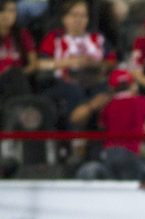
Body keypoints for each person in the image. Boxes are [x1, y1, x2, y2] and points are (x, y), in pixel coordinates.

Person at [38, 0, 117, 128]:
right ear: (65, 18)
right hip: (63, 83)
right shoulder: (55, 37)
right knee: (74, 90)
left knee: (106, 89)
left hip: (93, 80)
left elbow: (112, 63)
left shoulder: (97, 38)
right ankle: (74, 133)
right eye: (75, 15)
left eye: (83, 16)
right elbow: (41, 64)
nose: (79, 19)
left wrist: (97, 64)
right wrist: (71, 62)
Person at [76, 68, 145, 180]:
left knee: (112, 184)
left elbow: (102, 125)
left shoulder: (108, 104)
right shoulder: (139, 101)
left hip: (110, 151)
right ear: (132, 85)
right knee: (131, 185)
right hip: (131, 151)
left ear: (111, 88)